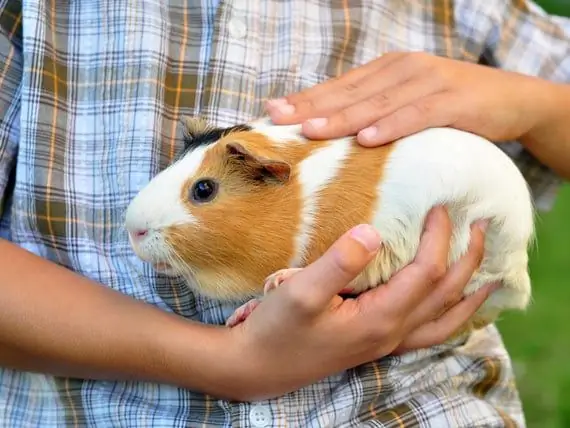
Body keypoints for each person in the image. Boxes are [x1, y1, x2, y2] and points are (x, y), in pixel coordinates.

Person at [0, 0, 568, 426]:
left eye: (201, 192)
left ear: (268, 172)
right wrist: (225, 361)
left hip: (423, 404)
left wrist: (533, 105)